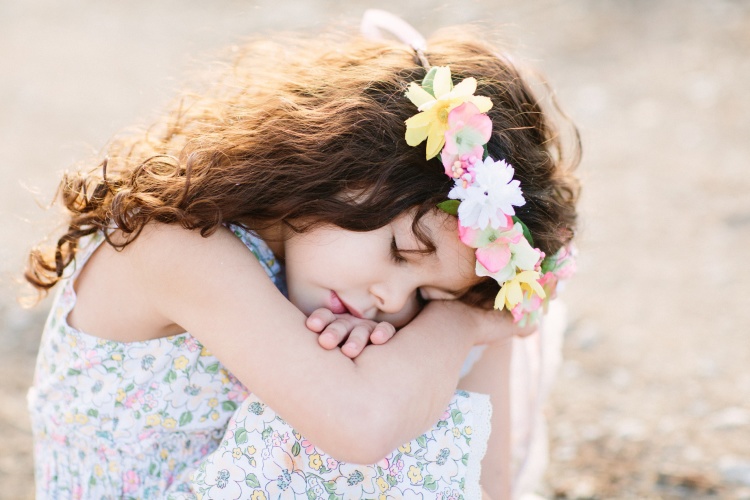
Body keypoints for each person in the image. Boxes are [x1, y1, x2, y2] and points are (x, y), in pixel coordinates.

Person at [24, 15, 579, 499]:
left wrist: (484, 309)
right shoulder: (173, 245)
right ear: (344, 160)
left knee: (412, 375)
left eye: (429, 294)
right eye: (401, 252)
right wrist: (463, 320)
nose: (392, 299)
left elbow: (487, 488)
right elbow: (360, 426)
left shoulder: (359, 292)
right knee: (377, 419)